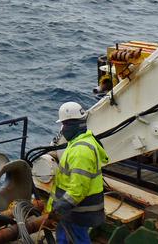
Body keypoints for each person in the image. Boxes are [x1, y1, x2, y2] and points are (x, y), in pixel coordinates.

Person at [46, 102, 108, 244]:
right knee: (67, 238)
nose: (62, 129)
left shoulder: (80, 151)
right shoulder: (80, 142)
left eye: (64, 124)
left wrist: (59, 207)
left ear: (72, 125)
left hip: (78, 212)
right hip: (73, 212)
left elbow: (78, 189)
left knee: (76, 239)